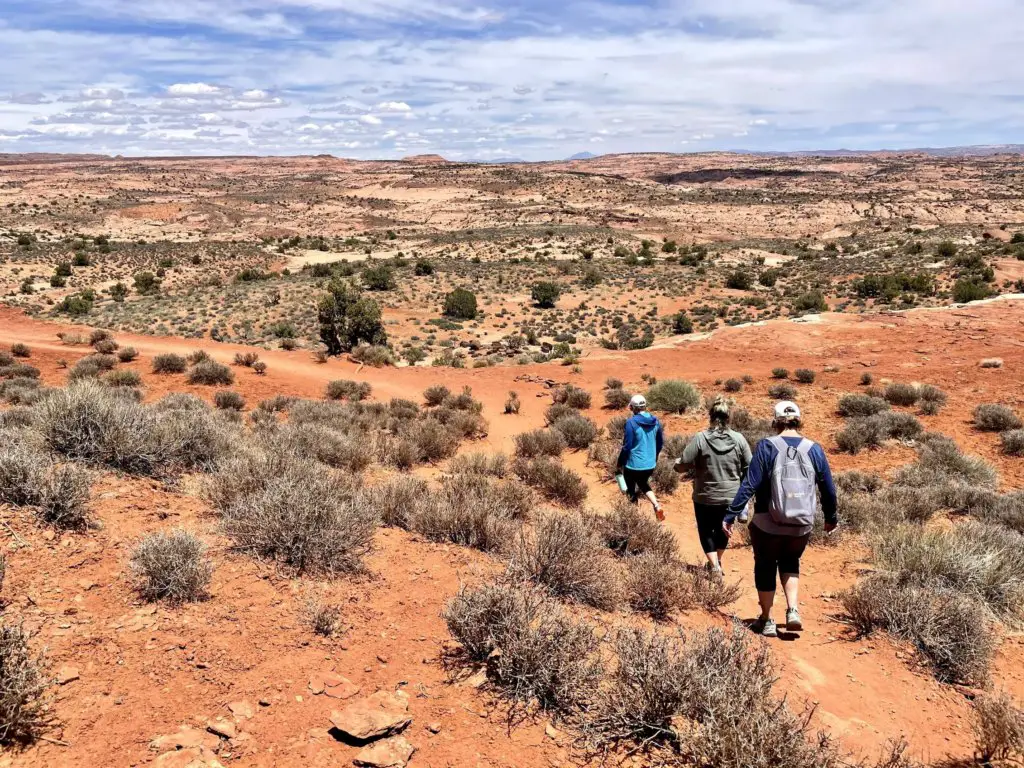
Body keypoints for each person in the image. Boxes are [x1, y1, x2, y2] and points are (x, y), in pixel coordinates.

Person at [724, 401, 837, 637]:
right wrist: (830, 516)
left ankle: (766, 619)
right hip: (801, 524)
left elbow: (750, 484)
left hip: (767, 522)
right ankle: (793, 610)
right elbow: (828, 488)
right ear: (798, 420)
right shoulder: (814, 449)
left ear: (775, 420)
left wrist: (732, 513)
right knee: (790, 561)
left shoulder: (767, 446)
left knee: (765, 565)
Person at [674, 397, 752, 577]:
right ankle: (717, 561)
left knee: (705, 529)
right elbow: (750, 466)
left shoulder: (701, 438)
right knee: (724, 528)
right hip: (732, 496)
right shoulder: (739, 439)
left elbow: (684, 462)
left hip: (705, 495)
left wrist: (678, 465)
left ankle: (714, 566)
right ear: (728, 417)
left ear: (711, 416)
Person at [617, 394, 665, 521]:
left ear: (632, 408)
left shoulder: (631, 423)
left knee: (630, 490)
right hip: (650, 464)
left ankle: (634, 519)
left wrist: (620, 462)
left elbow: (627, 446)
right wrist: (653, 457)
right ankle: (656, 505)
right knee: (643, 483)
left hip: (633, 465)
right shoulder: (655, 421)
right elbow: (660, 443)